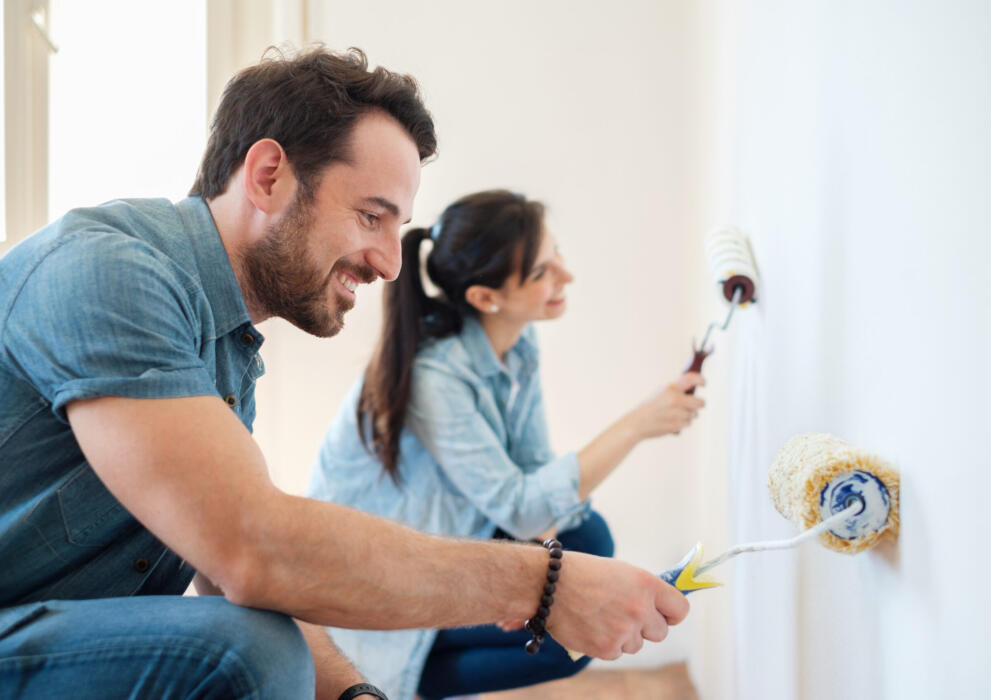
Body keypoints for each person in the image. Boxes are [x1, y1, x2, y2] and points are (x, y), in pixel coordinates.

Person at [0, 47, 689, 700]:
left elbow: (229, 570)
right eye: (370, 217)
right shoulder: (108, 272)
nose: (390, 264)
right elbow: (252, 550)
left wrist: (355, 692)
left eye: (399, 228)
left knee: (260, 634)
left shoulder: (226, 351)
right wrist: (543, 585)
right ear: (268, 176)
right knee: (242, 649)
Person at [308, 189, 706, 699]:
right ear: (485, 298)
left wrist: (532, 579)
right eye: (542, 272)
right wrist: (637, 425)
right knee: (572, 619)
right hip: (379, 586)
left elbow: (535, 474)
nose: (565, 275)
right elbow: (521, 510)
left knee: (587, 543)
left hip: (451, 539)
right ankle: (400, 673)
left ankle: (453, 646)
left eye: (555, 253)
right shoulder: (435, 378)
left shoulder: (517, 345)